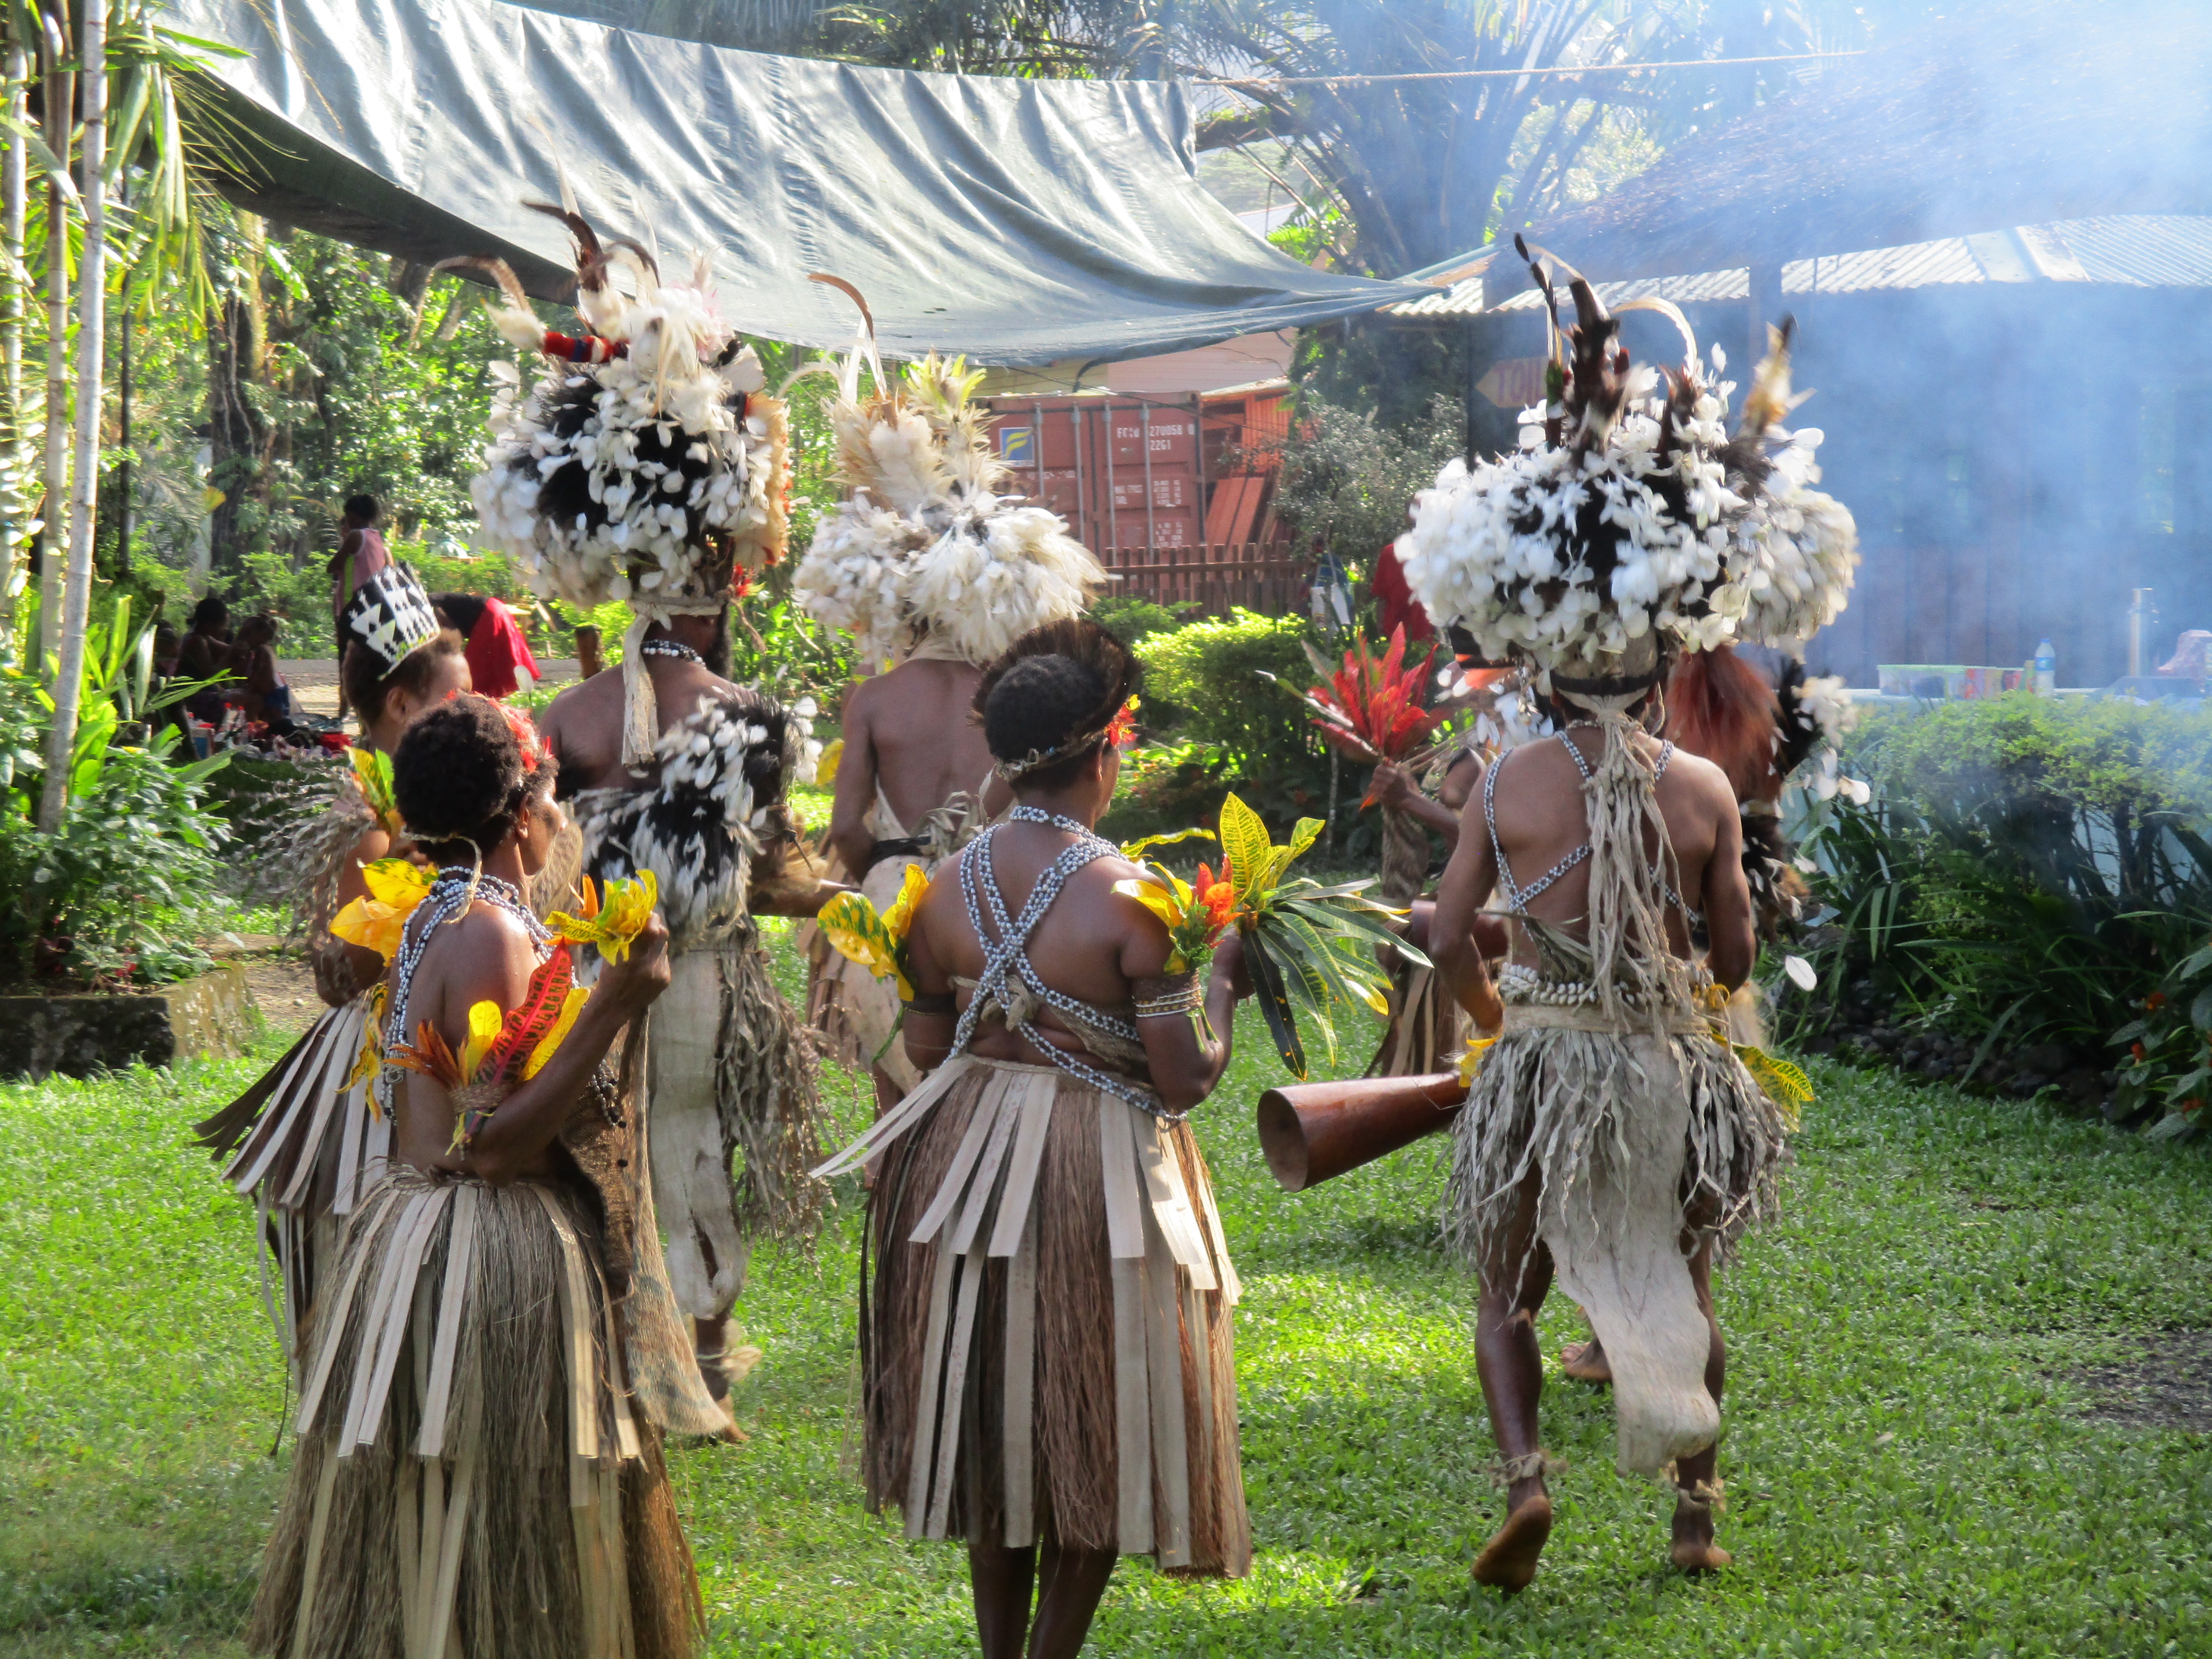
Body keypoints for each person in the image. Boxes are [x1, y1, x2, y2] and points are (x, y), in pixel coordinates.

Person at [246, 693, 726, 1659]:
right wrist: (620, 1002)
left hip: (416, 1239)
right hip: (480, 1250)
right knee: (492, 1504)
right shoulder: (492, 932)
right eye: (553, 799)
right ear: (518, 815)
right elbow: (494, 1144)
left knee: (443, 1509)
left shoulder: (436, 913)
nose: (562, 820)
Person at [813, 620, 1255, 1658]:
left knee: (993, 1427)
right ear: (1103, 753)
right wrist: (1219, 968)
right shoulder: (1139, 902)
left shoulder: (935, 890)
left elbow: (925, 1045)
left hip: (963, 1168)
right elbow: (1186, 1079)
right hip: (1088, 1170)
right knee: (1091, 1427)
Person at [1426, 643, 1781, 1587]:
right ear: (1659, 685)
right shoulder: (1704, 786)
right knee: (1689, 1289)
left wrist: (1496, 1018)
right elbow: (1736, 957)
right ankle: (1694, 1522)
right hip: (1667, 1066)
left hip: (1540, 1063)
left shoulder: (1506, 783)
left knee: (1509, 1296)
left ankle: (1527, 1489)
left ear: (1546, 688)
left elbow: (1445, 932)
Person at [538, 589, 837, 1427]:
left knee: (598, 1146)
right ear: (706, 612)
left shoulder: (568, 712)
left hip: (589, 979)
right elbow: (775, 866)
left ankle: (612, 1347)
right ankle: (705, 1359)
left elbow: (539, 850)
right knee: (698, 1140)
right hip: (702, 973)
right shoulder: (745, 714)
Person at [795, 348, 1104, 1113]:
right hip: (996, 888)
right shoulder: (1005, 695)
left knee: (898, 1080)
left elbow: (846, 828)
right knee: (995, 1062)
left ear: (905, 601)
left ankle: (898, 1183)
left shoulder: (874, 698)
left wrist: (883, 868)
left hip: (894, 896)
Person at [196, 564, 470, 1373]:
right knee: (370, 1234)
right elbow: (350, 960)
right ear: (402, 705)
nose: (474, 714)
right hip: (379, 1062)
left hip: (436, 1039)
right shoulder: (367, 817)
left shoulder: (434, 804)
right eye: (455, 701)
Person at [435, 589, 542, 700]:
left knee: (474, 673)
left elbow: (446, 638)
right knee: (488, 670)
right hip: (496, 608)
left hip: (489, 615)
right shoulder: (429, 601)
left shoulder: (430, 606)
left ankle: (479, 710)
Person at [223, 613, 294, 728]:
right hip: (269, 695)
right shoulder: (260, 651)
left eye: (249, 635)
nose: (247, 639)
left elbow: (256, 674)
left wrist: (247, 689)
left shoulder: (262, 650)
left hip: (272, 697)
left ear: (261, 635)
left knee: (269, 725)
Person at [177, 594, 232, 726]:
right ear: (209, 625)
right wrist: (228, 660)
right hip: (193, 697)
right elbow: (212, 675)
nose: (225, 630)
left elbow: (228, 649)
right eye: (223, 625)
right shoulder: (197, 641)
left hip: (199, 693)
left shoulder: (203, 636)